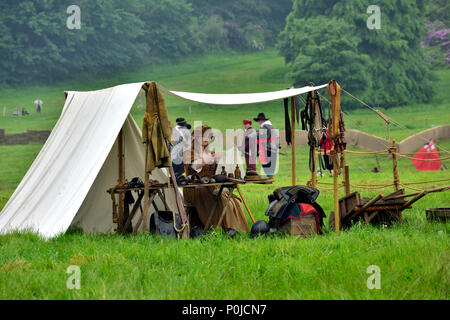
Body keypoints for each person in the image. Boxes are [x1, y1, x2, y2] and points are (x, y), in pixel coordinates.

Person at [183, 125, 249, 233]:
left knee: (233, 200)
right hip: (195, 188)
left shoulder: (210, 152)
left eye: (209, 137)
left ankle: (235, 230)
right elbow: (195, 166)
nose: (207, 139)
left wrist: (222, 158)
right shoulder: (188, 152)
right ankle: (221, 228)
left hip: (211, 185)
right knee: (221, 200)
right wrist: (212, 157)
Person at [253, 113, 279, 178]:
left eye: (259, 121)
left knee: (266, 163)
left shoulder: (265, 127)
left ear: (261, 120)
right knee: (270, 163)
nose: (258, 122)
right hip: (272, 147)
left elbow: (260, 135)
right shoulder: (270, 126)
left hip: (268, 147)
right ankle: (270, 176)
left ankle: (269, 177)